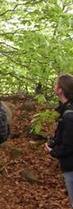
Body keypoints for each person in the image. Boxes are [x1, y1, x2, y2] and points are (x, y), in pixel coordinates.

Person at [45, 74, 73, 207]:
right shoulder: (66, 110)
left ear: (61, 90)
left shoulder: (68, 115)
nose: (54, 87)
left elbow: (68, 145)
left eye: (56, 84)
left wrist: (53, 152)